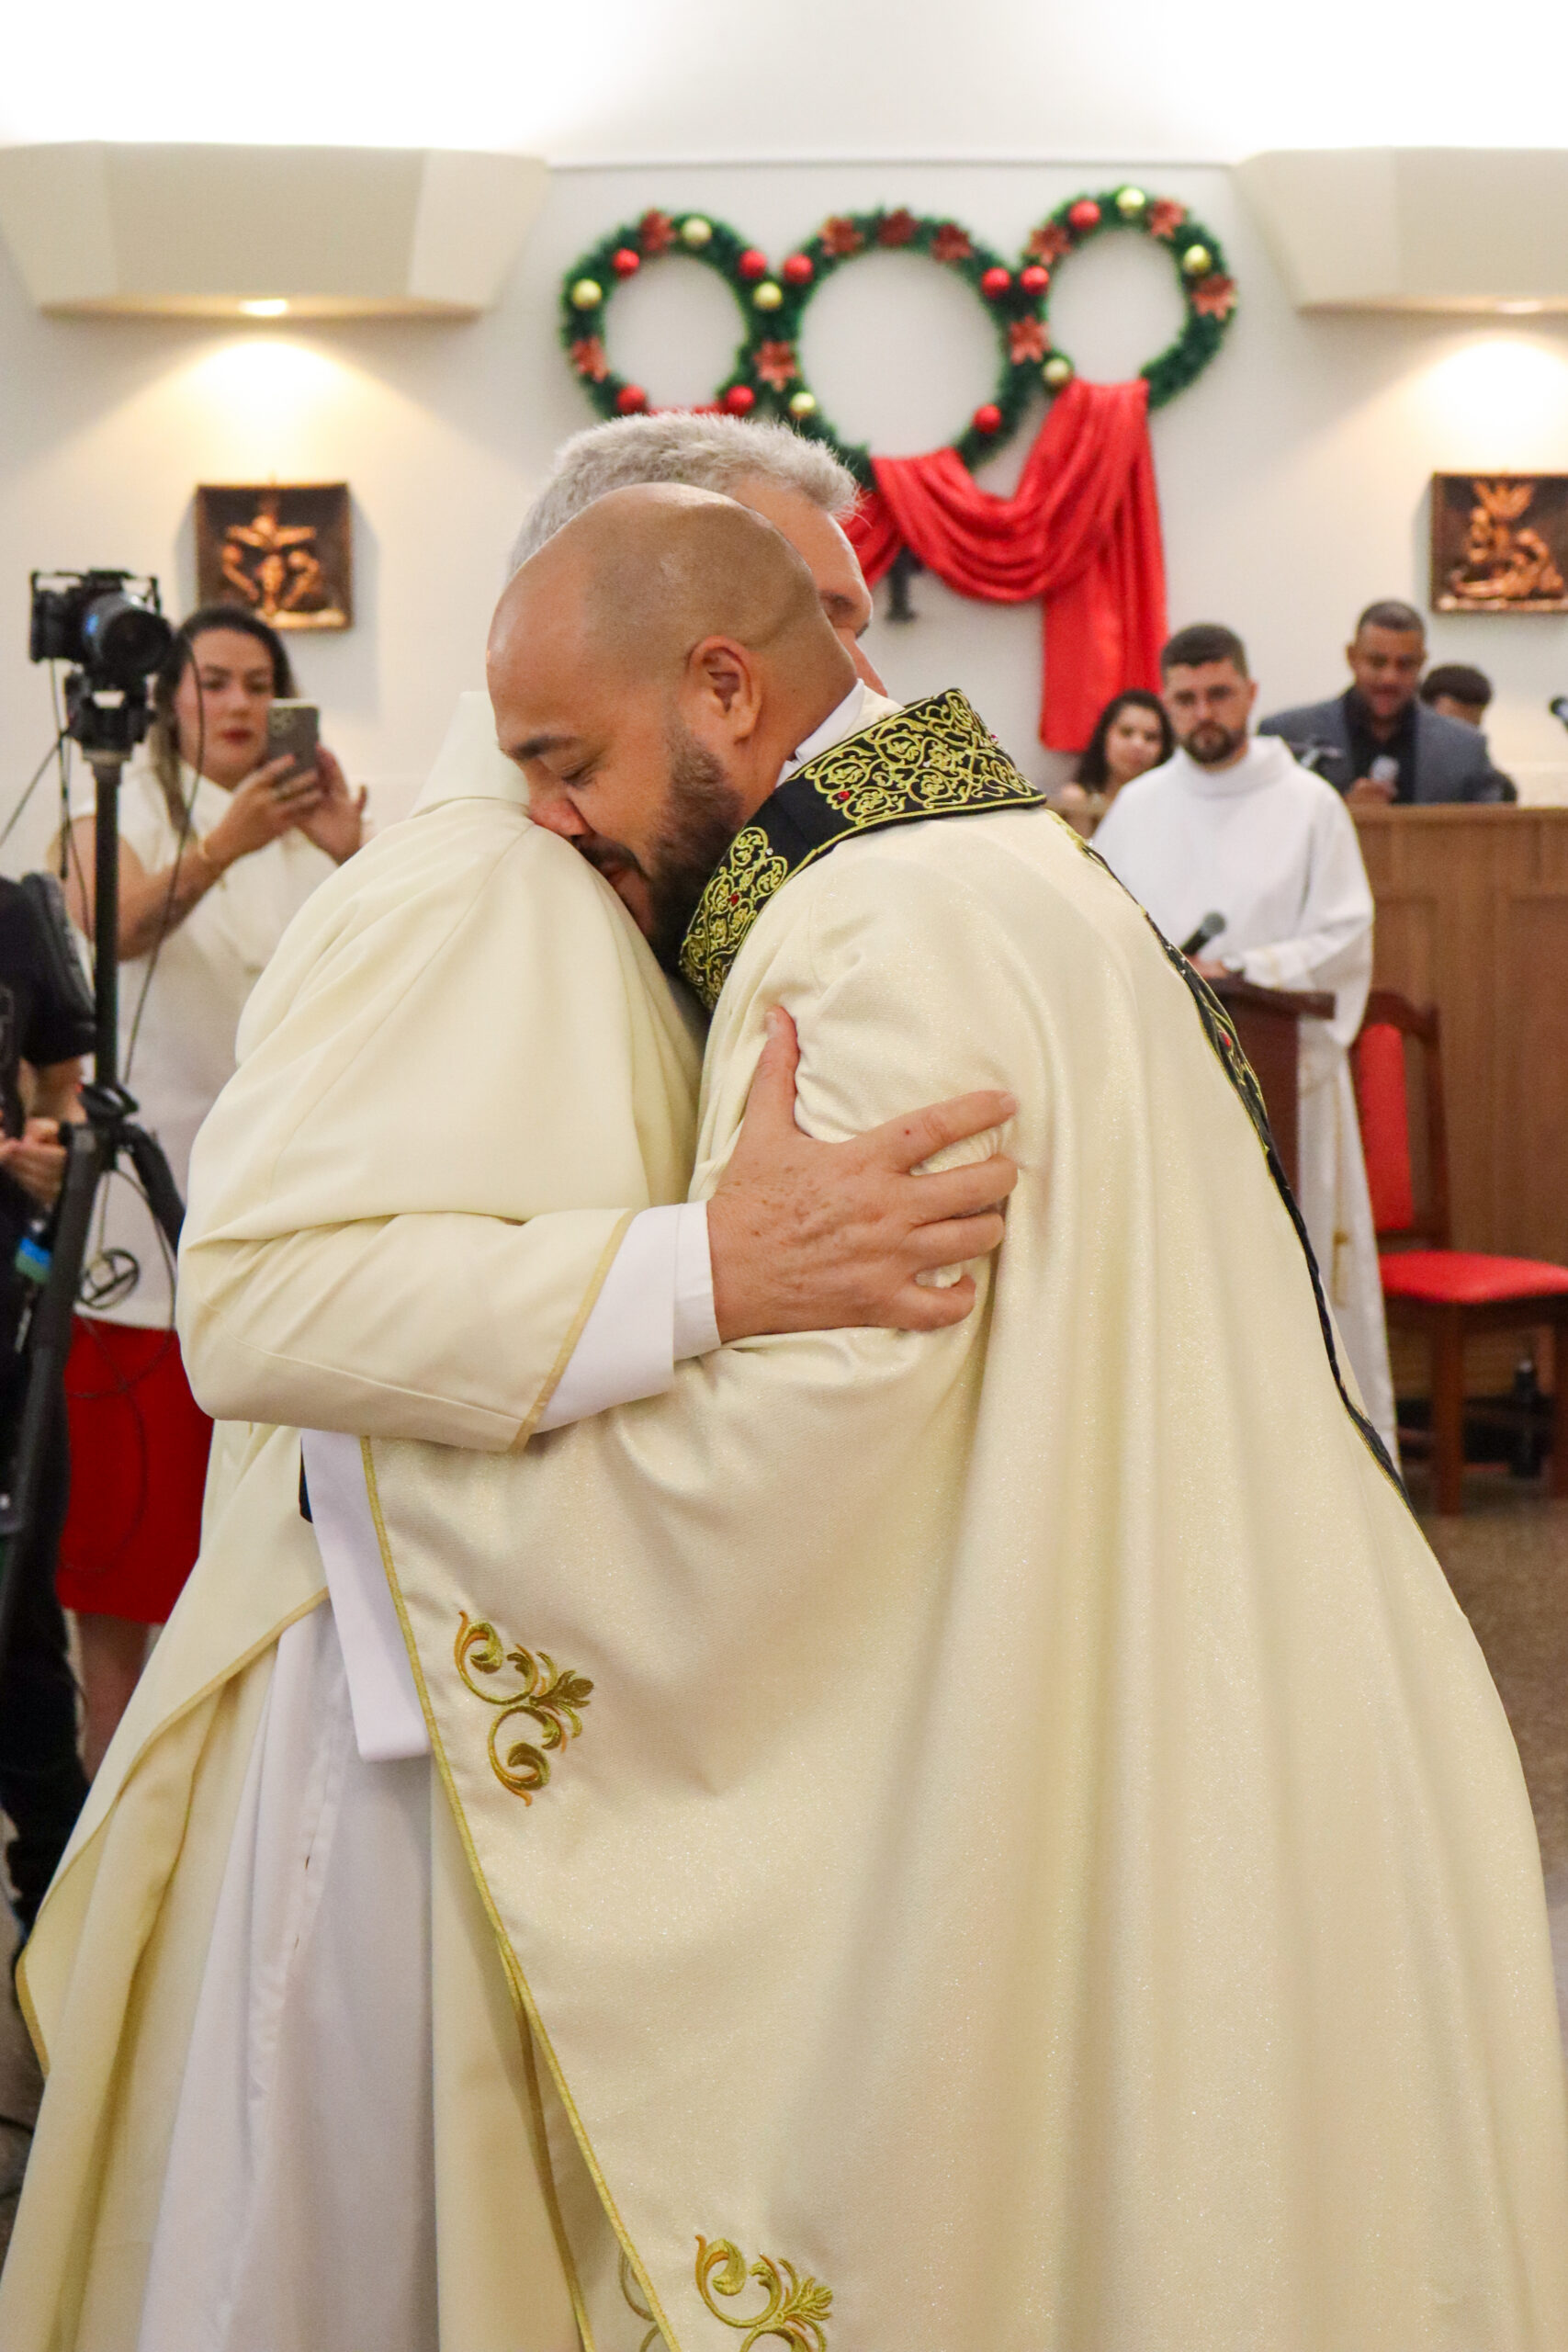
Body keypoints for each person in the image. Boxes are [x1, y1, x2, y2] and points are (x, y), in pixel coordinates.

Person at [21, 486, 1568, 2349]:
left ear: (726, 689)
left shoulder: (865, 937)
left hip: (1109, 1711)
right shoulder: (998, 855)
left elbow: (822, 1451)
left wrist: (379, 1493)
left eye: (568, 758)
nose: (547, 816)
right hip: (1229, 1669)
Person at [0, 446, 1017, 2351]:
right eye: (804, 612)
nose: (846, 678)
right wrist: (715, 1269)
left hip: (521, 1701)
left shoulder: (620, 874)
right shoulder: (472, 880)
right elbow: (264, 1301)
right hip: (394, 1752)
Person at [55, 605, 366, 1773]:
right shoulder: (116, 809)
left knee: (256, 1551)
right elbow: (114, 926)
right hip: (141, 1231)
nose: (238, 704)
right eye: (214, 681)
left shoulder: (307, 832)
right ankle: (104, 1790)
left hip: (283, 1222)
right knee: (125, 1551)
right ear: (165, 699)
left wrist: (349, 851)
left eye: (259, 684)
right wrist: (226, 842)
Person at [1093, 621, 1396, 1458]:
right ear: (1166, 702)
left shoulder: (1308, 805)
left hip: (1284, 1082)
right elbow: (1096, 931)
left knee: (1295, 1278)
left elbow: (1342, 937)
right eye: (1185, 698)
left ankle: (1323, 1462)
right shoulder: (1137, 808)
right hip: (1167, 1092)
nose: (1203, 712)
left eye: (1219, 693)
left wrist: (1239, 968)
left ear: (1251, 693)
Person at [0, 876, 92, 1956]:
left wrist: (57, 1157)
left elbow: (65, 1091)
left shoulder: (16, 916)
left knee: (22, 1629)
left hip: (7, 1327)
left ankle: (62, 1938)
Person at [1259, 597, 1510, 803]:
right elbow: (1265, 825)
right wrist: (1343, 815)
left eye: (1405, 665)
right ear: (1352, 657)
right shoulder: (1287, 736)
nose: (1389, 678)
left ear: (1422, 663)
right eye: (1377, 663)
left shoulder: (1465, 748)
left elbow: (1491, 838)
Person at [1048, 686, 1173, 837]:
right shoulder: (1076, 801)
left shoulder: (1171, 808)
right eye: (1126, 732)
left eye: (1150, 737)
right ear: (1104, 736)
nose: (1138, 745)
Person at [1420, 662, 1518, 797]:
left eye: (1471, 730)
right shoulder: (1398, 781)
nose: (1460, 739)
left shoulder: (1496, 789)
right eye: (1450, 728)